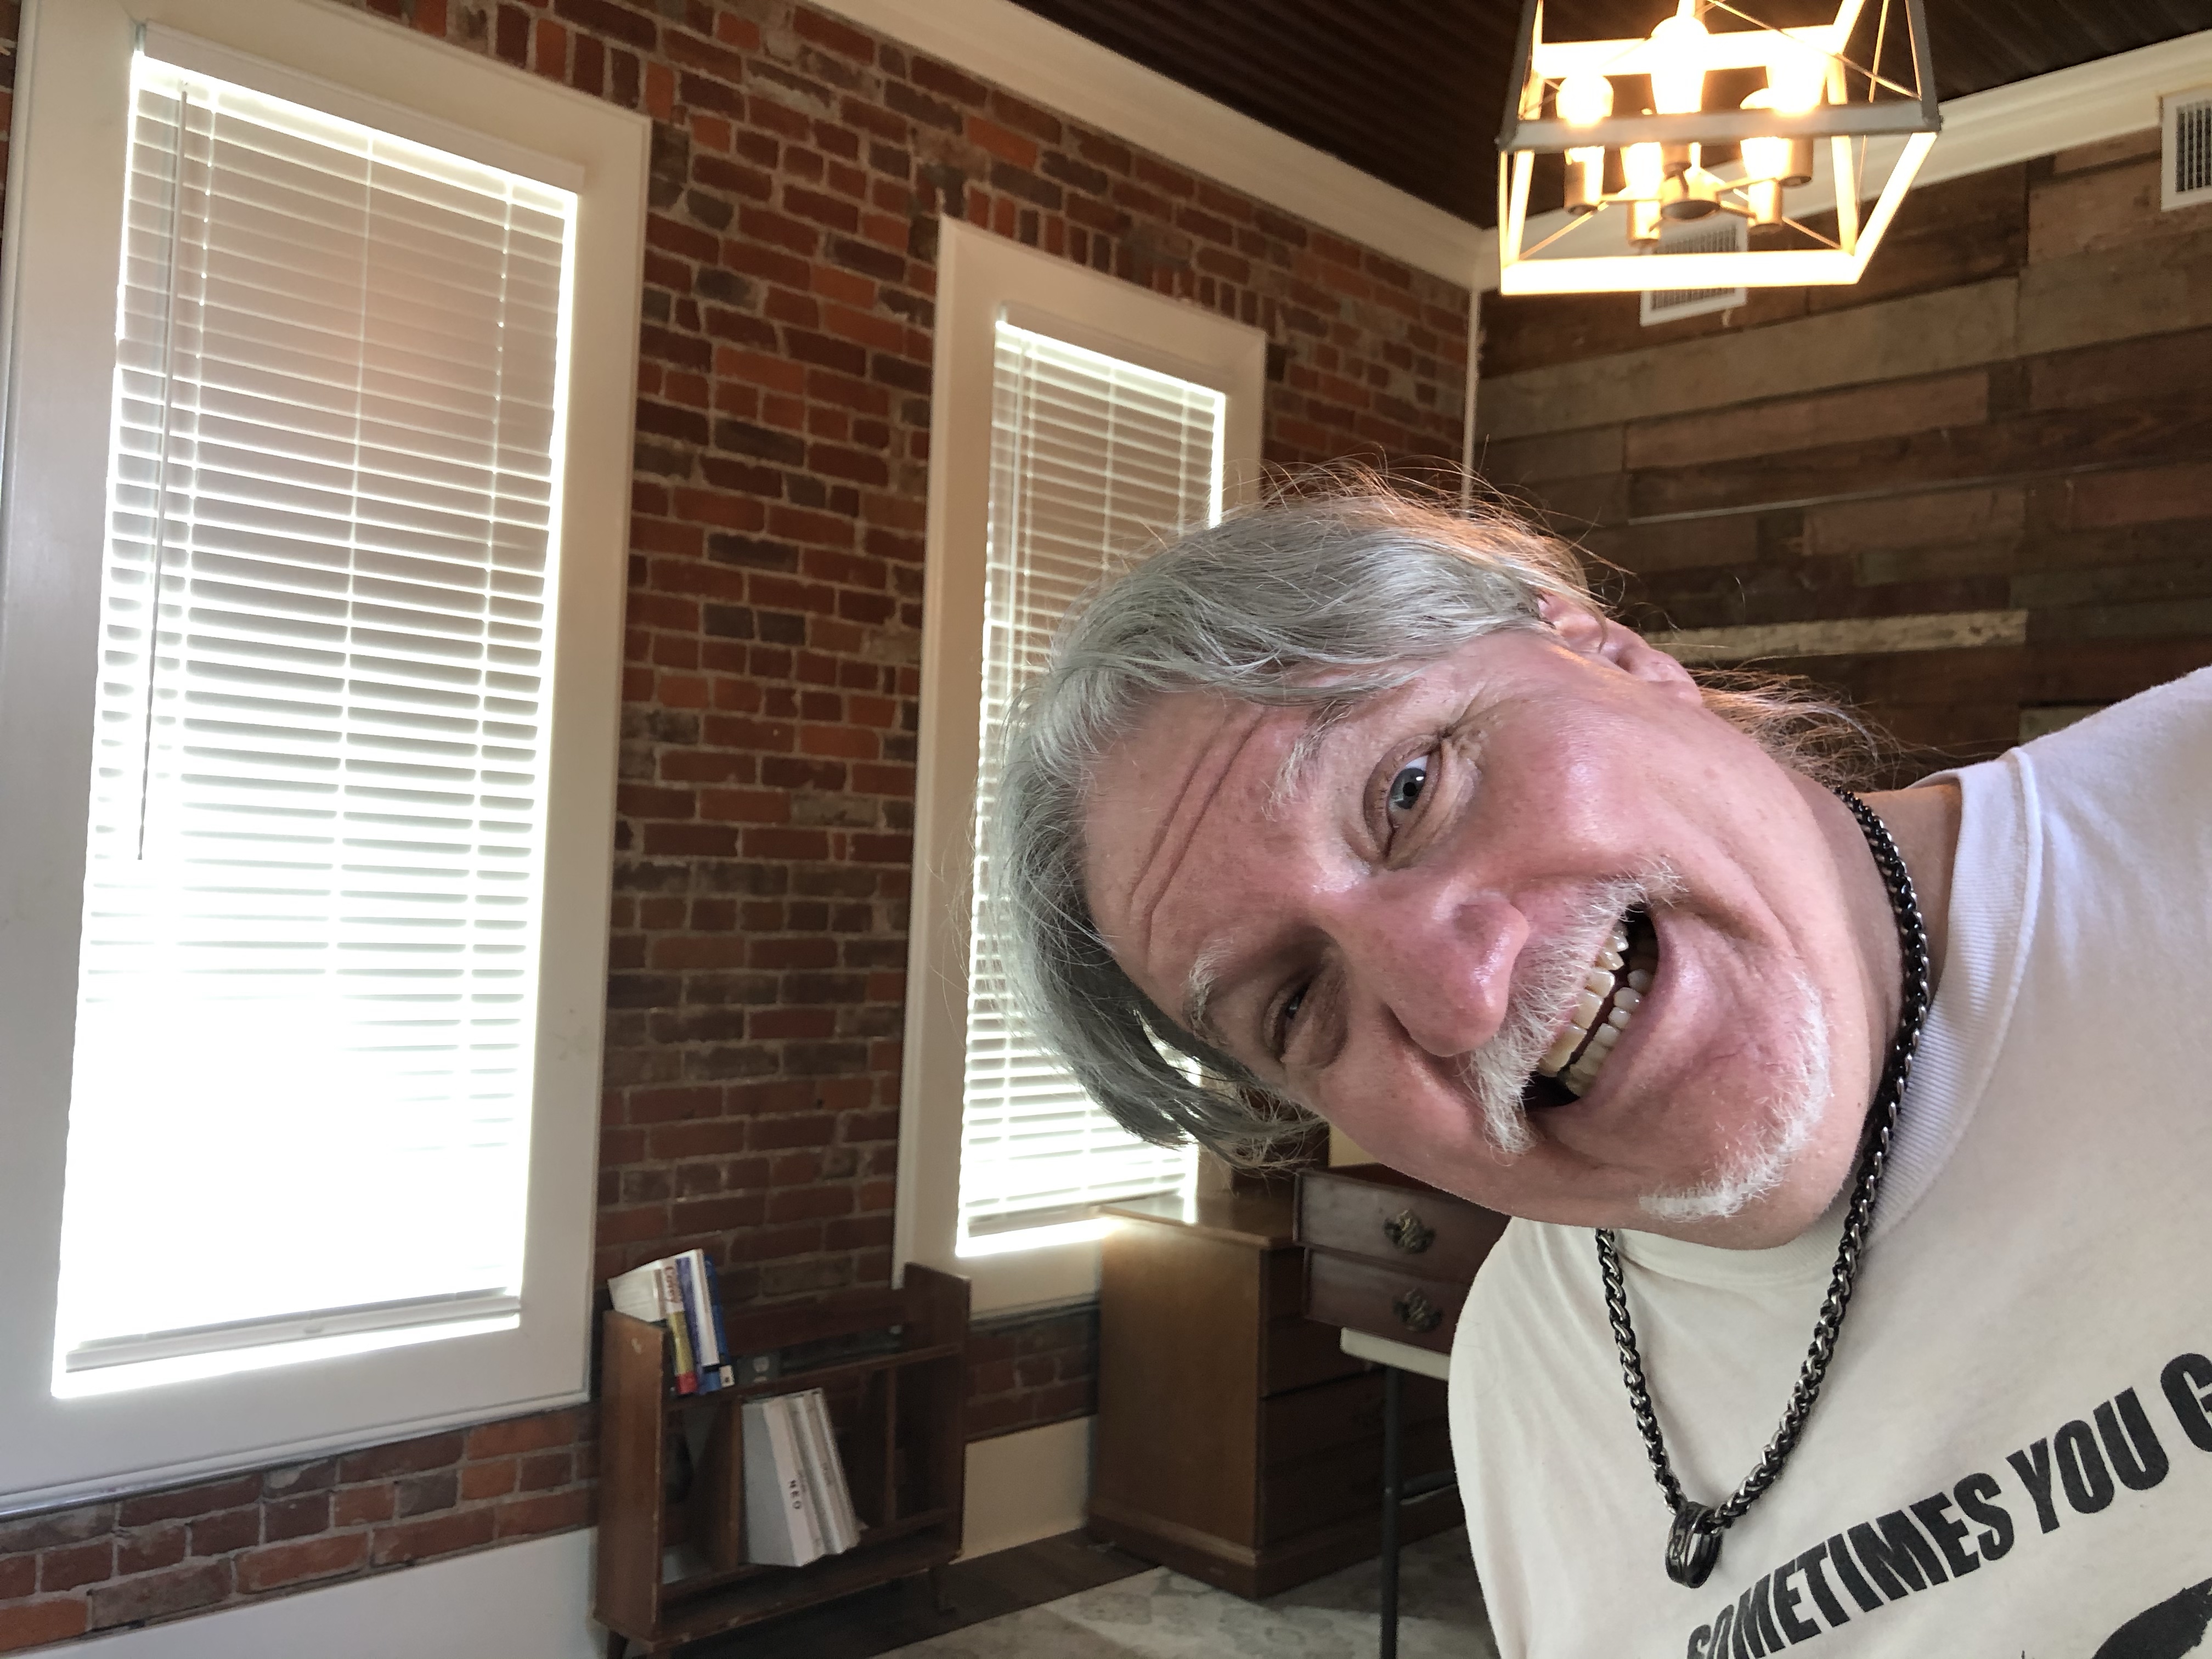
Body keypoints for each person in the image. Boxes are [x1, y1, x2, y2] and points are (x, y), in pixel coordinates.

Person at [986, 484, 2212, 1656]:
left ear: (1611, 654)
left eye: (1410, 791)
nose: (1459, 999)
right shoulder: (1526, 1379)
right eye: (1299, 1003)